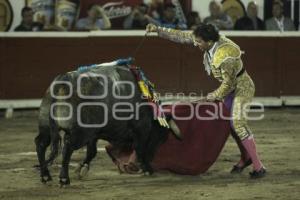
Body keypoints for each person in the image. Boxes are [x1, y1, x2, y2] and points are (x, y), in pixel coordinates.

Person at [146, 23, 267, 179]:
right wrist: (157, 30)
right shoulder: (206, 40)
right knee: (230, 124)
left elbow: (228, 84)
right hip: (230, 89)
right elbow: (182, 36)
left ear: (209, 42)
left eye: (199, 42)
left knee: (237, 124)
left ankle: (259, 167)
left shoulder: (225, 56)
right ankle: (246, 157)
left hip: (242, 88)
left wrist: (213, 95)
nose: (195, 44)